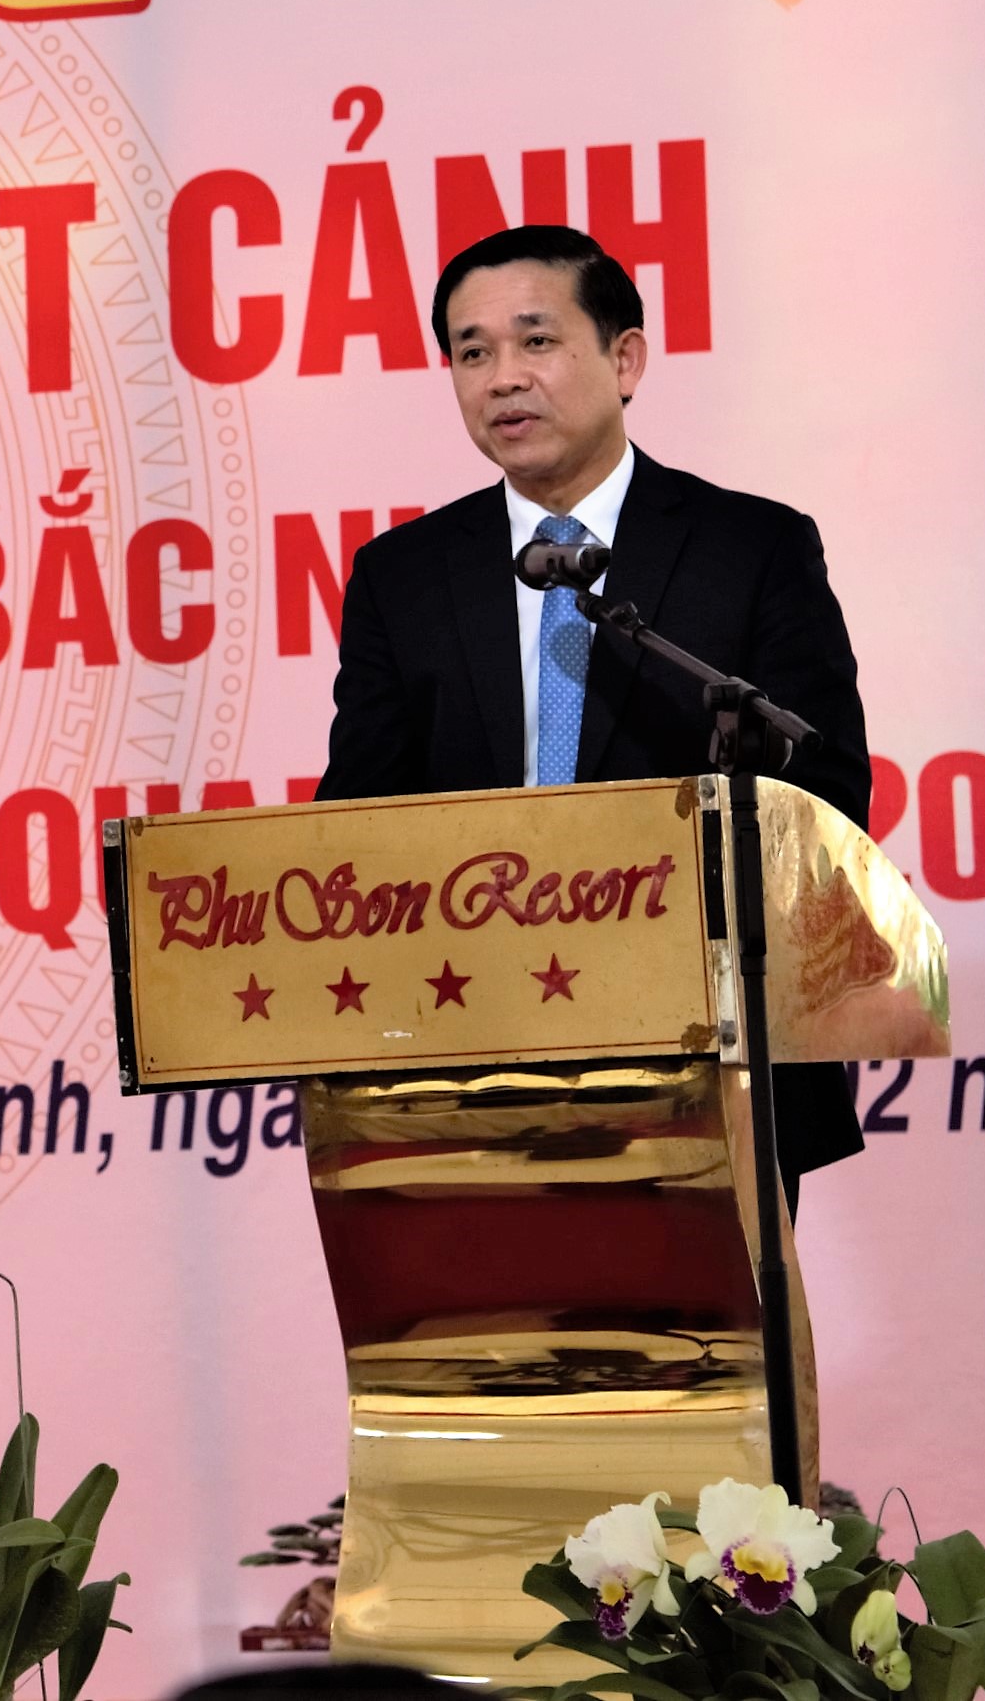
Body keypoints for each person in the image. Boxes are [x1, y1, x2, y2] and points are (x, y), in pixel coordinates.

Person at [319, 223, 865, 1184]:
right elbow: (360, 820)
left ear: (625, 359)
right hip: (472, 1059)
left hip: (707, 1058)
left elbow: (825, 794)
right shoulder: (402, 578)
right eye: (472, 353)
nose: (502, 378)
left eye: (536, 340)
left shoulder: (753, 549)